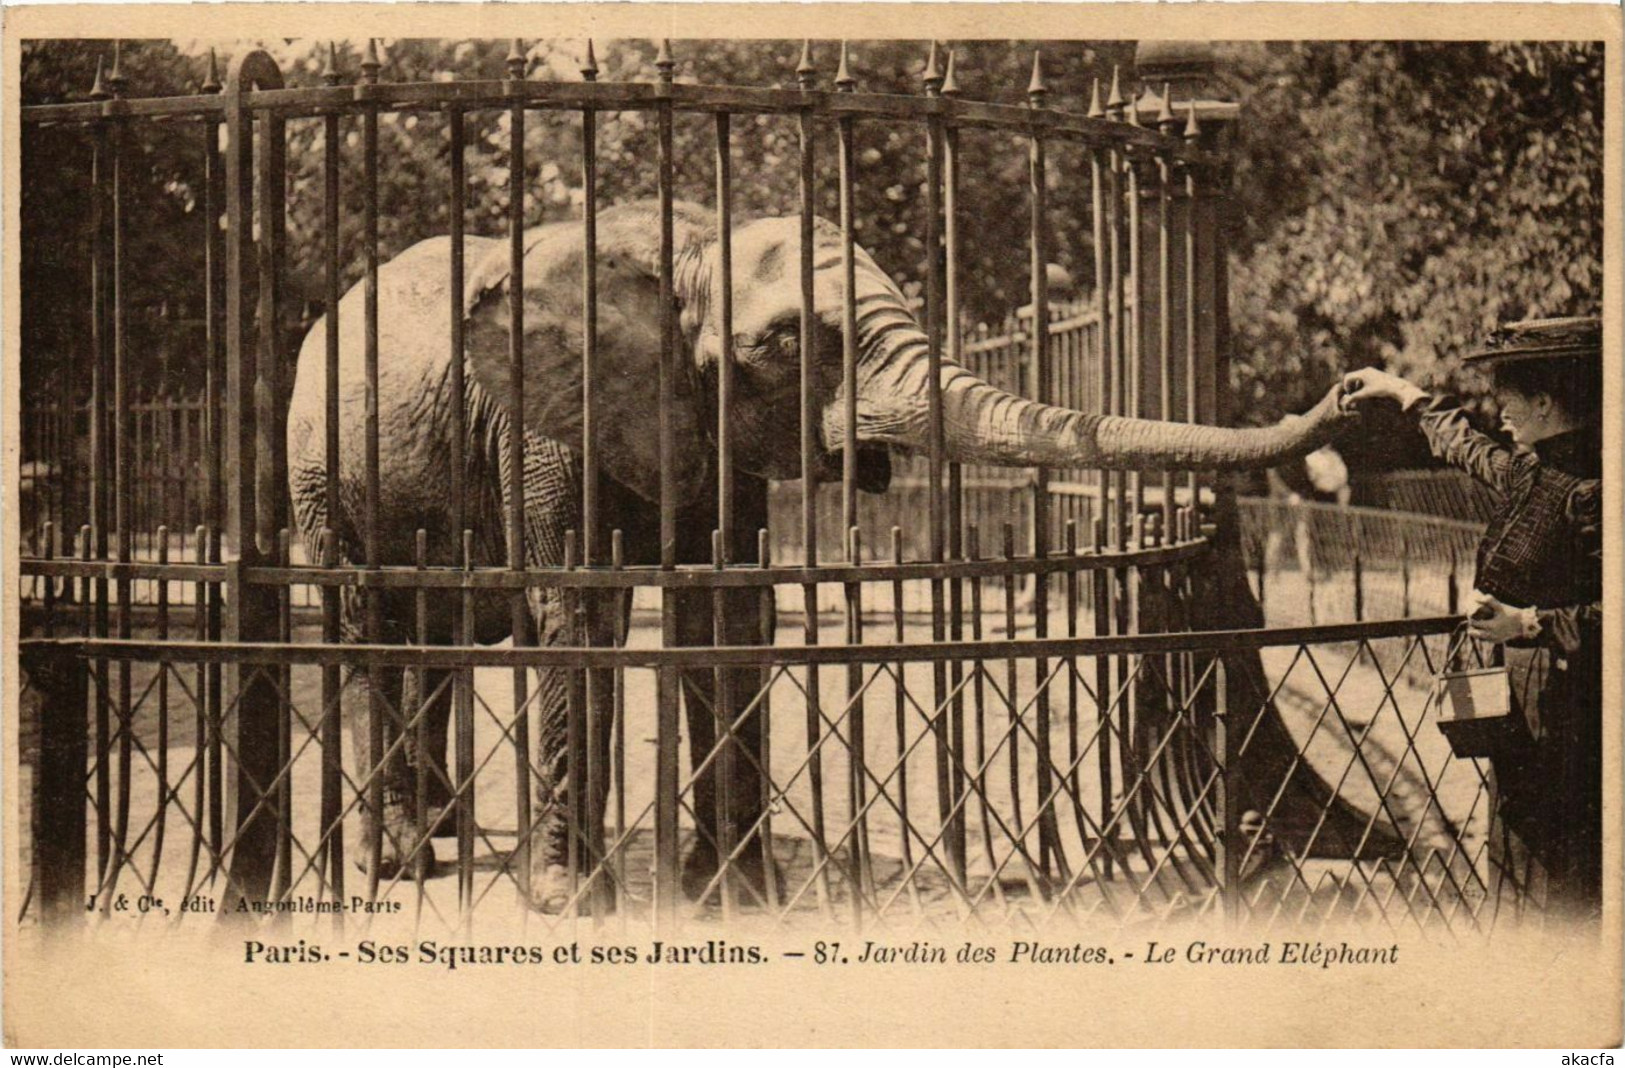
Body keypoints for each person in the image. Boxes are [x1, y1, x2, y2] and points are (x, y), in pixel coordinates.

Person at [1340, 316, 1603, 923]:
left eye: (1509, 403)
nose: (1500, 414)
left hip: (1569, 697)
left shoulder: (1590, 489)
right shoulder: (1532, 467)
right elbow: (1466, 445)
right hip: (1520, 689)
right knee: (1518, 837)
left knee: (1557, 854)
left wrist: (1530, 623)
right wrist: (1400, 391)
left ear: (1545, 403)